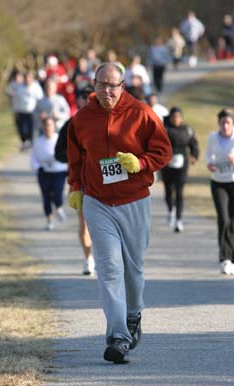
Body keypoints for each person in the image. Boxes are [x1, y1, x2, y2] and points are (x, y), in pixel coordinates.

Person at [67, 62, 172, 363]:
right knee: (109, 266)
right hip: (97, 202)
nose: (107, 91)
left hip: (134, 200)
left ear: (123, 86)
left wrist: (139, 163)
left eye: (113, 85)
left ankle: (133, 314)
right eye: (102, 84)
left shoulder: (141, 113)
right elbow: (76, 158)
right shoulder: (83, 119)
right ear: (94, 85)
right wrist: (76, 187)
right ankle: (117, 336)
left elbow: (163, 151)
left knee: (133, 268)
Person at [55, 86, 95, 276]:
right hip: (79, 181)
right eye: (84, 98)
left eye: (90, 97)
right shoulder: (71, 125)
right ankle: (88, 259)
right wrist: (77, 157)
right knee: (84, 222)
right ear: (78, 101)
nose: (88, 101)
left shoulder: (105, 122)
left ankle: (106, 257)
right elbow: (59, 154)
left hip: (105, 179)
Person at [205, 108, 234, 275]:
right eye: (222, 122)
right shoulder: (213, 138)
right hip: (218, 181)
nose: (225, 125)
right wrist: (209, 164)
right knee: (223, 218)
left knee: (233, 220)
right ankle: (225, 258)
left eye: (228, 122)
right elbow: (208, 156)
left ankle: (233, 258)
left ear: (232, 123)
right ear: (219, 123)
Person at [161, 107, 199, 232]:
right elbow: (158, 145)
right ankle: (170, 209)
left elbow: (194, 144)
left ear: (181, 118)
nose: (176, 119)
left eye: (178, 117)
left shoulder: (187, 130)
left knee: (179, 191)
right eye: (173, 117)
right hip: (167, 165)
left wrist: (194, 155)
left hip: (182, 165)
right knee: (168, 191)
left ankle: (178, 220)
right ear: (170, 118)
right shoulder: (164, 129)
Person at [30, 117, 68, 231]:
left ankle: (59, 207)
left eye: (50, 125)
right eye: (46, 125)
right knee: (46, 197)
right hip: (44, 173)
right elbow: (33, 158)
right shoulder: (38, 142)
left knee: (57, 194)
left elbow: (67, 154)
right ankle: (49, 220)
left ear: (54, 126)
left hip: (59, 172)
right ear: (43, 127)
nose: (48, 127)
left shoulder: (59, 139)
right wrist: (38, 168)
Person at [7, 71, 43, 150]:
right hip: (20, 111)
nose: (28, 80)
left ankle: (30, 143)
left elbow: (40, 99)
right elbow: (14, 99)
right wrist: (15, 111)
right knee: (21, 128)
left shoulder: (36, 87)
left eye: (29, 78)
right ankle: (24, 142)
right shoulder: (19, 87)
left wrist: (40, 111)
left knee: (31, 129)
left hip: (32, 112)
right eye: (26, 78)